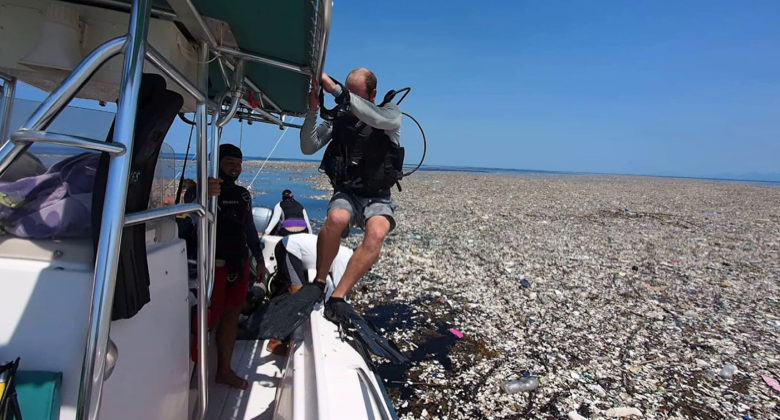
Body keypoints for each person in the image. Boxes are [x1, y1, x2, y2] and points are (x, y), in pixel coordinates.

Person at [260, 68, 402, 339]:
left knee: (377, 233)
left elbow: (371, 116)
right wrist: (313, 112)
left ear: (372, 94)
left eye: (354, 95)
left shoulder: (390, 114)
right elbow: (308, 146)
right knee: (335, 219)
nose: (348, 103)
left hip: (378, 196)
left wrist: (337, 92)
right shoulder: (340, 119)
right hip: (348, 192)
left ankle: (337, 297)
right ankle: (319, 282)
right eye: (347, 94)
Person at [209, 143, 265, 389]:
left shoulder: (243, 195)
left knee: (232, 316)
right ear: (218, 162)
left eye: (239, 163)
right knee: (209, 318)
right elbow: (190, 205)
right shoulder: (206, 189)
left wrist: (259, 259)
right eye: (230, 162)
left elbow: (250, 229)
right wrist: (202, 192)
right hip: (213, 265)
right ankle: (192, 368)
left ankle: (224, 369)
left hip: (239, 262)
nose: (235, 167)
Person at [264, 233, 352, 354]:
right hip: (289, 249)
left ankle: (275, 326)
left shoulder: (344, 252)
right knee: (297, 294)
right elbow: (339, 292)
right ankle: (274, 342)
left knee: (288, 292)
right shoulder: (345, 258)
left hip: (287, 246)